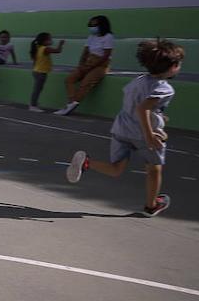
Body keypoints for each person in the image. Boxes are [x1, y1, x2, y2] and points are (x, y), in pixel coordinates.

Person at [65, 39, 185, 216]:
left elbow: (137, 104)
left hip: (121, 129)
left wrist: (158, 115)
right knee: (154, 168)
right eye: (179, 63)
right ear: (172, 66)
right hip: (142, 134)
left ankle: (87, 163)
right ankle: (151, 205)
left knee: (116, 169)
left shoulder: (138, 81)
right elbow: (142, 108)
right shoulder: (164, 88)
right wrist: (150, 134)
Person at [55, 15, 115, 115]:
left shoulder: (108, 37)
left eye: (94, 25)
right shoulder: (91, 37)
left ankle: (70, 106)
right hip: (89, 62)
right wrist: (81, 66)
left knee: (85, 83)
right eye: (90, 25)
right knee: (69, 79)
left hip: (101, 64)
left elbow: (106, 55)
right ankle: (71, 103)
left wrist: (91, 67)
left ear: (102, 25)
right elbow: (85, 52)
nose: (92, 27)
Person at [28, 32, 65, 112]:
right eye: (49, 39)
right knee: (37, 89)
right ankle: (33, 105)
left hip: (37, 71)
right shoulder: (45, 49)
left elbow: (35, 60)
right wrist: (61, 44)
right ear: (44, 41)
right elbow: (58, 51)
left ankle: (34, 103)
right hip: (40, 72)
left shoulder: (38, 47)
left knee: (38, 89)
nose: (51, 40)